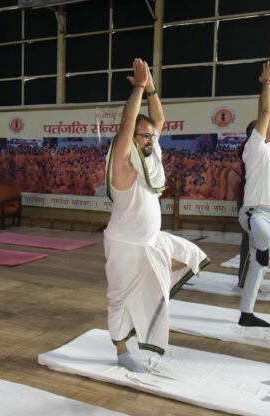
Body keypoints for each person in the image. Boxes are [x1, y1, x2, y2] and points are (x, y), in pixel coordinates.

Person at [103, 59, 210, 373]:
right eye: (144, 136)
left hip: (151, 241)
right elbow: (128, 121)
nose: (150, 140)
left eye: (152, 136)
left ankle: (149, 293)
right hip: (124, 245)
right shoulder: (123, 165)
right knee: (118, 299)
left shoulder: (151, 159)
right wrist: (138, 88)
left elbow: (159, 119)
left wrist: (151, 89)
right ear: (131, 139)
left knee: (191, 256)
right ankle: (122, 352)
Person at [236, 62, 270, 328]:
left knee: (260, 266)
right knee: (262, 248)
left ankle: (246, 313)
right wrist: (267, 85)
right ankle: (262, 247)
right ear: (257, 134)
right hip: (255, 215)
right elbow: (266, 112)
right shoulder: (256, 149)